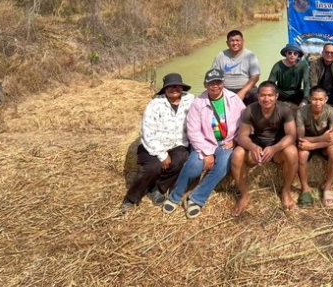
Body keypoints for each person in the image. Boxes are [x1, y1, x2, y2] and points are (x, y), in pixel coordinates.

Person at [162, 69, 245, 219]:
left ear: (223, 83)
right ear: (205, 85)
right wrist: (207, 153)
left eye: (218, 82)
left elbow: (245, 123)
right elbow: (193, 131)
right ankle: (175, 195)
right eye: (211, 83)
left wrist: (235, 140)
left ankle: (197, 198)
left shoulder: (234, 99)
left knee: (225, 162)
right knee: (194, 166)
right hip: (204, 142)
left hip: (226, 143)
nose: (215, 86)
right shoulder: (198, 103)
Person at [122, 73, 194, 212]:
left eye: (177, 86)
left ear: (182, 87)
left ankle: (157, 188)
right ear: (165, 89)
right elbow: (146, 132)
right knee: (153, 167)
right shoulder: (155, 104)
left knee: (182, 158)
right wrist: (162, 154)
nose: (174, 88)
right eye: (170, 86)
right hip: (153, 146)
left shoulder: (190, 100)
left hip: (178, 144)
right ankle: (131, 198)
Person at [231, 81, 298, 215]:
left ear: (276, 96)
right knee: (237, 153)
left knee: (292, 152)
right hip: (257, 149)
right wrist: (253, 146)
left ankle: (286, 191)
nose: (266, 99)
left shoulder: (284, 109)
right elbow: (242, 136)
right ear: (258, 96)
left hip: (277, 149)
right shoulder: (250, 109)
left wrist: (275, 148)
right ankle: (244, 194)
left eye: (270, 95)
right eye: (262, 95)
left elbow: (291, 135)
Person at [296, 87, 333, 207]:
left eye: (321, 99)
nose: (317, 102)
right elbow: (300, 138)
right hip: (312, 142)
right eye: (314, 99)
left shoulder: (331, 112)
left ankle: (327, 187)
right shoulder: (301, 112)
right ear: (310, 99)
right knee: (301, 154)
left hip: (322, 145)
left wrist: (313, 145)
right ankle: (305, 188)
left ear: (326, 99)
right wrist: (321, 139)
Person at [211, 29, 261, 104]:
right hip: (225, 89)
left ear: (243, 41)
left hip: (247, 89)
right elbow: (214, 76)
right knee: (209, 97)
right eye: (232, 41)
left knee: (257, 96)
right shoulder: (220, 56)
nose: (235, 43)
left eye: (237, 40)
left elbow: (255, 77)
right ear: (227, 43)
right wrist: (222, 90)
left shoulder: (250, 56)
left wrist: (242, 92)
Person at [308, 43, 333, 109]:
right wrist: (319, 97)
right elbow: (313, 82)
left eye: (332, 53)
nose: (329, 55)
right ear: (322, 52)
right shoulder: (314, 64)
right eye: (327, 52)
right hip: (319, 91)